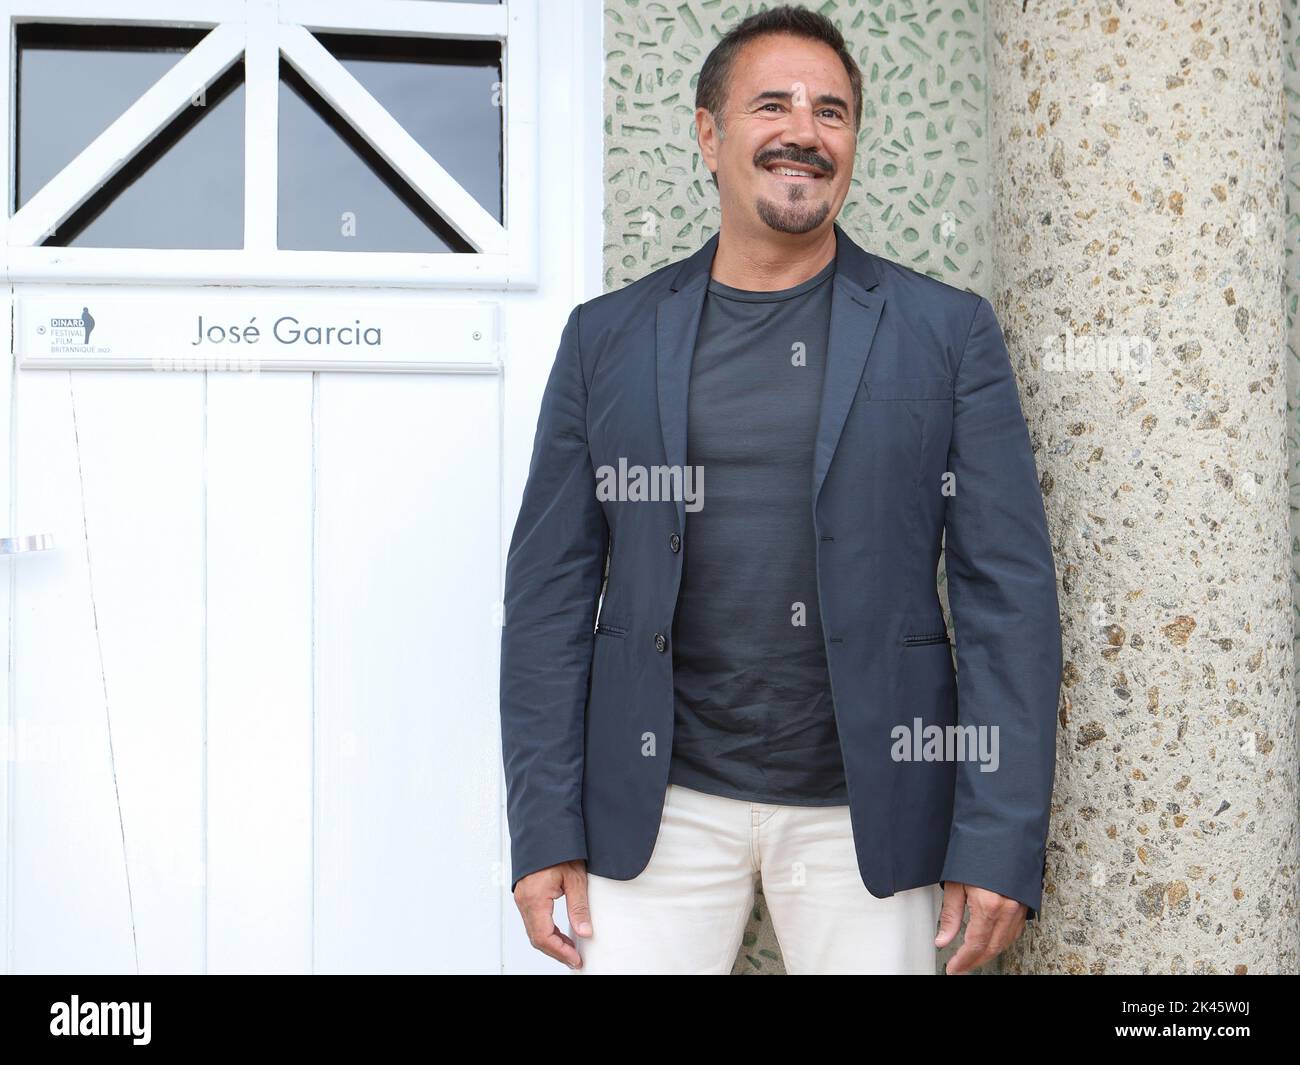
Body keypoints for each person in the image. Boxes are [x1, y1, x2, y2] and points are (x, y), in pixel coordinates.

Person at [499, 4, 1062, 975]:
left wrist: (998, 838)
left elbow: (1006, 597)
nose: (804, 130)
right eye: (773, 105)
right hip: (654, 812)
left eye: (832, 112)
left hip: (872, 813)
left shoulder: (945, 333)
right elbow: (547, 596)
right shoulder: (607, 341)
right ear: (709, 135)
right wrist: (543, 828)